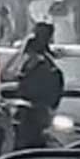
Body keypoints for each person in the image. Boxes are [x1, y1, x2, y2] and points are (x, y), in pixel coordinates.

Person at [15, 21, 64, 149]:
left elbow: (26, 85)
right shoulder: (49, 63)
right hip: (39, 114)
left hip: (33, 115)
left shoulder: (41, 63)